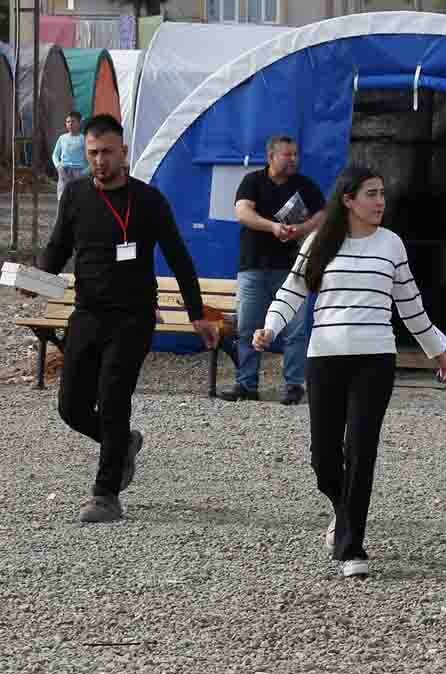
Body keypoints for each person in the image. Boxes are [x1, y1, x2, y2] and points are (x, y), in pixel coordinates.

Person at [255, 166, 446, 579]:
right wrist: (270, 327)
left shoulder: (392, 245)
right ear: (348, 199)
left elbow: (411, 307)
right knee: (322, 457)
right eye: (371, 194)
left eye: (382, 193)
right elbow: (290, 293)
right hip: (325, 359)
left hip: (375, 360)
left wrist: (440, 352)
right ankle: (342, 511)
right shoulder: (319, 242)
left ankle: (352, 546)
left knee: (361, 451)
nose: (380, 201)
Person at [31, 114, 219, 523]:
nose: (99, 161)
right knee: (71, 407)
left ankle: (106, 494)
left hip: (133, 318)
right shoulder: (77, 195)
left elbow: (179, 259)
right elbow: (58, 246)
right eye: (93, 153)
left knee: (114, 400)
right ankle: (123, 445)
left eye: (107, 153)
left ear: (124, 153)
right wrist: (35, 278)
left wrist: (197, 314)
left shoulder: (149, 201)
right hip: (87, 314)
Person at [220, 135, 325, 405]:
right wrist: (273, 227)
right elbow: (242, 212)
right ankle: (246, 384)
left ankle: (293, 385)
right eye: (287, 155)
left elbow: (323, 215)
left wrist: (301, 230)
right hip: (253, 267)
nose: (293, 159)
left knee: (295, 330)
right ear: (270, 157)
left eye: (295, 154)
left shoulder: (305, 185)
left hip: (293, 270)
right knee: (248, 328)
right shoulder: (253, 181)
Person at [52, 112, 87, 206]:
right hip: (64, 171)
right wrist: (58, 166)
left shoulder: (84, 139)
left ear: (79, 123)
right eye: (68, 122)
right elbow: (55, 155)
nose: (70, 124)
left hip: (79, 173)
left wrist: (85, 172)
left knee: (79, 200)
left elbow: (91, 158)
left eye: (73, 121)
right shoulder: (62, 138)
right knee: (63, 198)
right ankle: (62, 219)